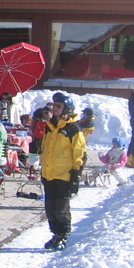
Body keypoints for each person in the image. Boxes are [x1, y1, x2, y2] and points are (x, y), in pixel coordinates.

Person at [39, 98, 86, 251]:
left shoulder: (73, 128)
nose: (55, 109)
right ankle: (55, 234)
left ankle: (64, 235)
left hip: (64, 175)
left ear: (67, 109)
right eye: (55, 106)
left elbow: (79, 153)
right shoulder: (50, 126)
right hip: (49, 174)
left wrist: (76, 175)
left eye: (59, 106)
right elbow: (45, 148)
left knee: (61, 209)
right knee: (50, 209)